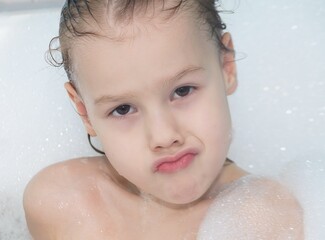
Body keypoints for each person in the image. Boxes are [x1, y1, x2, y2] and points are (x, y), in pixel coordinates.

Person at [23, 0, 303, 239]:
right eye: (122, 109)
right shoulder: (63, 202)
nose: (163, 136)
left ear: (226, 66)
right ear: (84, 112)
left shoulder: (261, 216)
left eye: (182, 91)